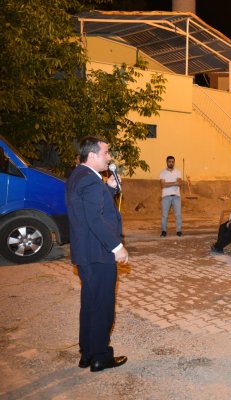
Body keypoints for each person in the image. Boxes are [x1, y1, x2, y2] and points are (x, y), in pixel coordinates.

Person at [66, 136, 128, 372]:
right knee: (102, 305)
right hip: (99, 253)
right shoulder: (91, 182)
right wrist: (116, 246)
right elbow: (95, 218)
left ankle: (88, 353)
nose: (109, 157)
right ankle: (101, 357)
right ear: (92, 156)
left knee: (90, 304)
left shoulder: (78, 176)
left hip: (85, 254)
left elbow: (89, 205)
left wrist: (109, 189)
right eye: (106, 153)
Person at [159, 155, 183, 237]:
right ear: (167, 162)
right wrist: (174, 183)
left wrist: (168, 183)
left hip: (176, 196)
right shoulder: (162, 173)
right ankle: (163, 231)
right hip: (166, 196)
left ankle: (179, 231)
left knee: (178, 214)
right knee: (164, 215)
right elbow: (163, 185)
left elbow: (180, 183)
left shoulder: (178, 172)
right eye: (169, 162)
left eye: (172, 162)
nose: (171, 163)